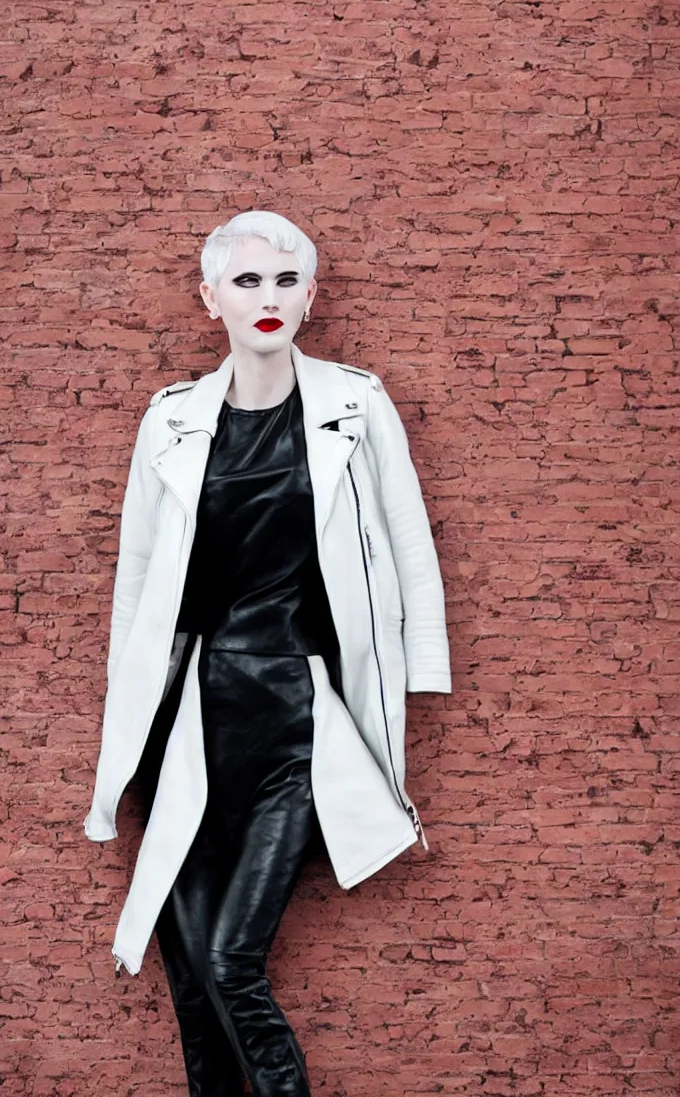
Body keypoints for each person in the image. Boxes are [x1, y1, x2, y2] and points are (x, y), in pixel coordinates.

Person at [84, 210, 452, 1096]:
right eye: (247, 281)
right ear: (209, 298)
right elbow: (137, 576)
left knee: (231, 959)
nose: (268, 297)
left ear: (311, 296)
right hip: (190, 725)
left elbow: (409, 544)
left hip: (297, 720)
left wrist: (421, 670)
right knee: (189, 973)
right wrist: (126, 706)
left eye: (286, 281)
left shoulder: (356, 405)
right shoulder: (170, 419)